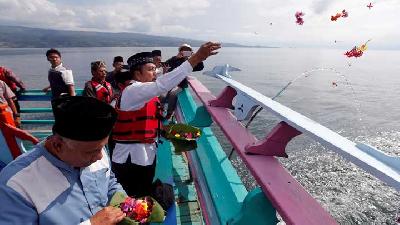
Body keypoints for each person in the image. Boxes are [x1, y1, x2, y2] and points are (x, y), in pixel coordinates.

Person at [111, 42, 221, 197]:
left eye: (155, 69)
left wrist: (172, 133)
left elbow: (149, 122)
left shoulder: (145, 95)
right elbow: (162, 85)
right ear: (137, 74)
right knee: (133, 199)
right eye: (150, 70)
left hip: (145, 157)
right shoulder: (133, 91)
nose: (155, 73)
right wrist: (195, 59)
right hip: (130, 160)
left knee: (142, 194)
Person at [0, 96, 126, 225]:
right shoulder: (15, 183)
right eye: (91, 152)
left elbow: (109, 182)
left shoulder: (96, 150)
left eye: (102, 147)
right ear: (57, 145)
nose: (100, 156)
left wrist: (128, 204)